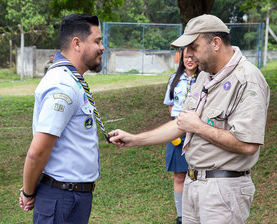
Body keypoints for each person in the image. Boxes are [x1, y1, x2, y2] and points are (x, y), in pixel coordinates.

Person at [109, 14, 270, 224]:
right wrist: (134, 139)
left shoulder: (247, 80)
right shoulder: (205, 76)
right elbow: (182, 124)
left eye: (194, 46)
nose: (189, 55)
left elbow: (248, 145)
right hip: (193, 183)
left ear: (216, 43)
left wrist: (200, 127)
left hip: (223, 190)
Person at [19, 14, 106, 224]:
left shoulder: (72, 79)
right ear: (77, 43)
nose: (102, 47)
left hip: (74, 196)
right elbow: (38, 151)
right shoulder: (63, 85)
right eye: (97, 41)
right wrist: (28, 193)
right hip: (61, 197)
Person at [163, 47, 199, 224]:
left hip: (198, 131)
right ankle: (181, 216)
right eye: (186, 57)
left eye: (193, 57)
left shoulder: (205, 79)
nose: (190, 60)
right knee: (179, 175)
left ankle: (197, 214)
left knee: (198, 175)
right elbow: (170, 106)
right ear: (182, 59)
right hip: (177, 131)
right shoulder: (174, 79)